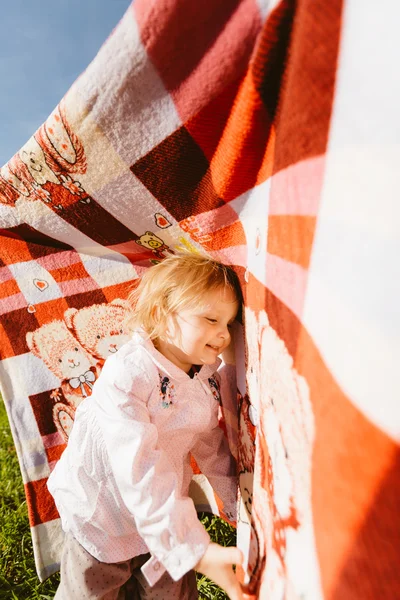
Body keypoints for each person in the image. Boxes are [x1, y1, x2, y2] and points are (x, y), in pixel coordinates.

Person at [47, 253, 245, 600]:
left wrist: (238, 506)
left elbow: (211, 445)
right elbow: (137, 467)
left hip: (164, 511)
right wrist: (191, 547)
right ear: (161, 316)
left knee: (173, 593)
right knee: (94, 591)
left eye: (228, 323)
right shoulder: (127, 377)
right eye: (211, 318)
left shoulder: (203, 378)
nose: (223, 334)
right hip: (102, 517)